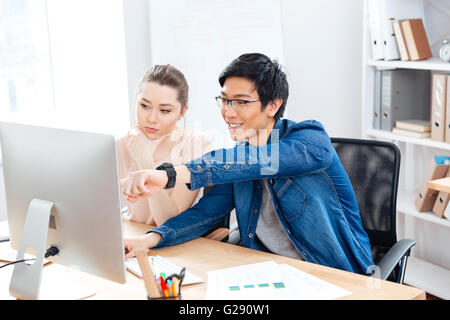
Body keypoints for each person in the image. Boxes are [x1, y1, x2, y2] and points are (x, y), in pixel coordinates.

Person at [121, 53, 375, 275]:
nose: (228, 112)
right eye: (225, 100)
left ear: (273, 105)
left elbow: (260, 161)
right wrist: (149, 239)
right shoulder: (238, 158)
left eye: (241, 102)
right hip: (266, 273)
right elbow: (203, 215)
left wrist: (169, 175)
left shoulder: (311, 140)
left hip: (332, 274)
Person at [118, 64, 212, 226]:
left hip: (175, 245)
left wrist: (144, 160)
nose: (152, 118)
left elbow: (169, 222)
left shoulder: (196, 144)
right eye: (145, 106)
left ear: (182, 112)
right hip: (132, 237)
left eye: (165, 111)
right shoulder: (121, 144)